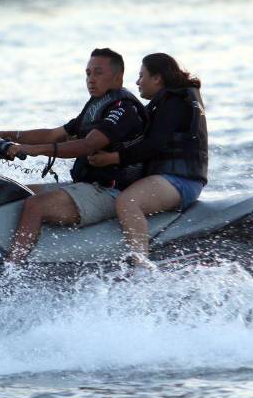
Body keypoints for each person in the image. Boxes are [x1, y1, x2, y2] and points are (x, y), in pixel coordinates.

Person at [0, 48, 147, 264]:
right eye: (88, 73)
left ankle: (13, 269)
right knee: (16, 192)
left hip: (111, 191)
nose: (91, 79)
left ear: (118, 76)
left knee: (35, 205)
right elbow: (53, 134)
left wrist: (31, 149)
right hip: (89, 186)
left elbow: (87, 145)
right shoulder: (97, 105)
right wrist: (4, 135)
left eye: (98, 73)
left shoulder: (123, 109)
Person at [88, 53, 208, 267]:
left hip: (180, 180)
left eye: (141, 76)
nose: (137, 82)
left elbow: (155, 144)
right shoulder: (171, 101)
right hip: (177, 178)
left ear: (157, 78)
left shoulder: (174, 102)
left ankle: (141, 267)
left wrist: (113, 158)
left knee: (128, 202)